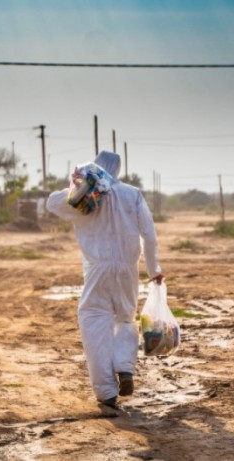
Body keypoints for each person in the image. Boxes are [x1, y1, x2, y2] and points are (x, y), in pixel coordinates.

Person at [46, 150, 164, 410]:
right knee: (124, 318)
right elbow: (150, 234)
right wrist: (154, 268)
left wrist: (77, 184)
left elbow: (51, 204)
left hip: (98, 269)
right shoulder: (132, 194)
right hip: (128, 270)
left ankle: (107, 393)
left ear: (95, 166)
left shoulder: (85, 198)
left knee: (94, 323)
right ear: (119, 170)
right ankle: (124, 367)